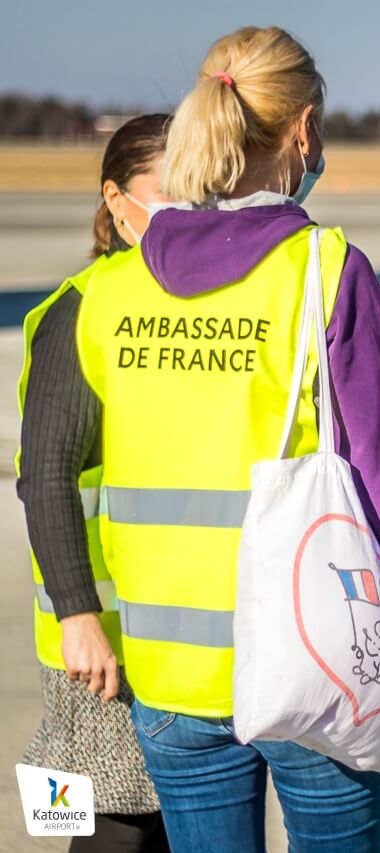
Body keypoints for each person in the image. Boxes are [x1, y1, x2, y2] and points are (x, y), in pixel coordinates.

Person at [73, 27, 380, 852]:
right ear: (303, 129)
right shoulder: (324, 270)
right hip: (314, 657)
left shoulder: (106, 291)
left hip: (166, 670)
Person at [17, 114, 170, 853]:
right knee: (110, 827)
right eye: (166, 195)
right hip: (99, 641)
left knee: (155, 825)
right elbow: (44, 474)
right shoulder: (84, 307)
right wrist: (78, 616)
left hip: (169, 636)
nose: (188, 215)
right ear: (115, 199)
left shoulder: (171, 307)